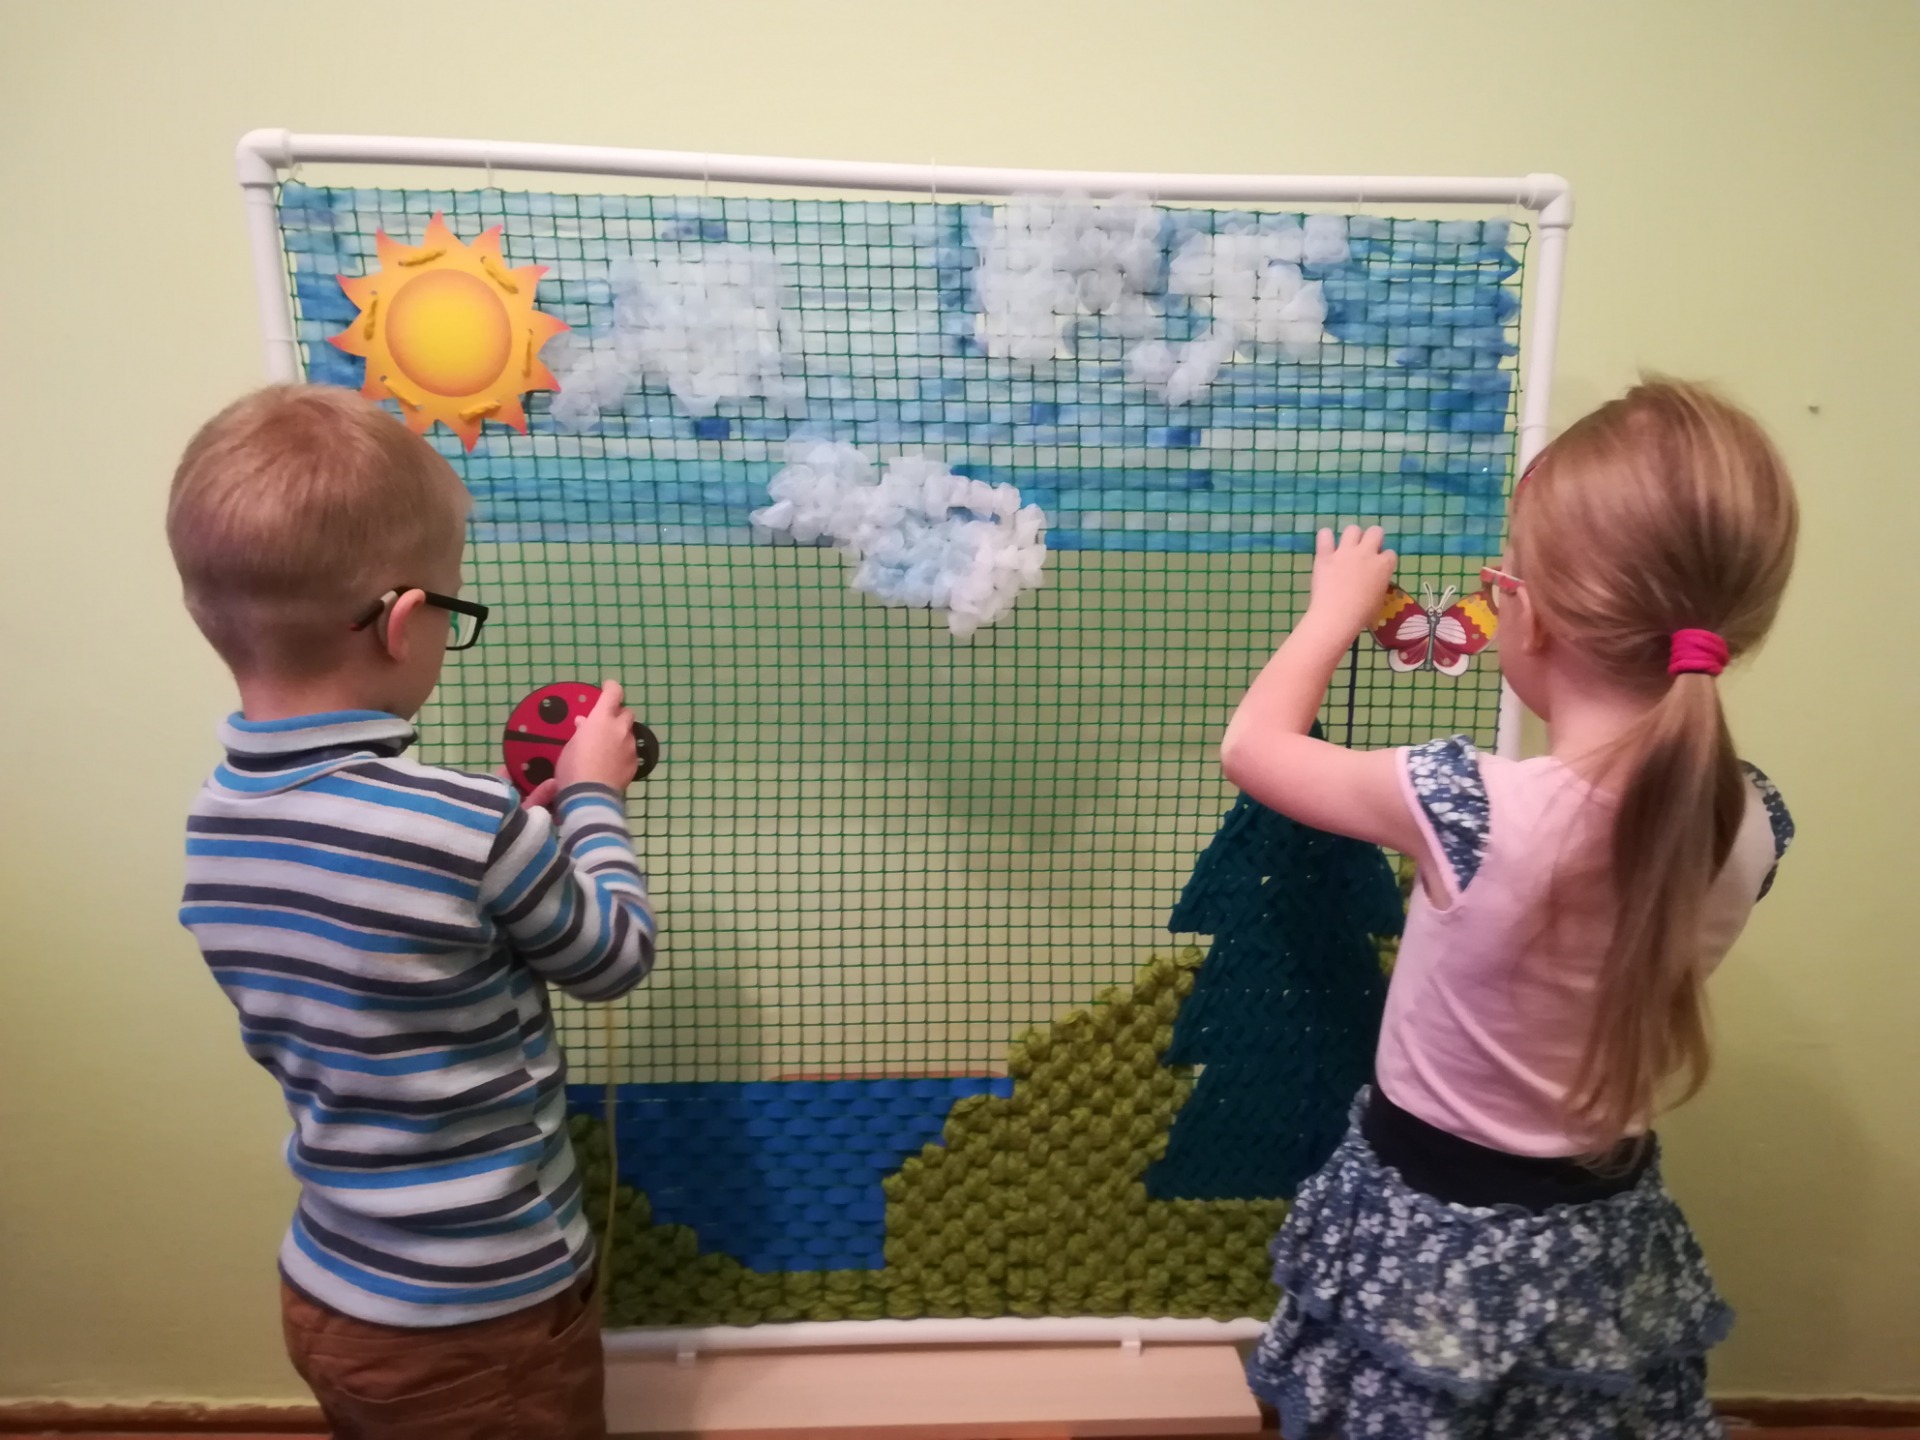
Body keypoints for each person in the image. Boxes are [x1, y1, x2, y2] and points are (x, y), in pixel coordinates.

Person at [1223, 380, 1797, 1437]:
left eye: (1503, 583)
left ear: (1529, 613)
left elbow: (1252, 749)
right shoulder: (1753, 822)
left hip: (1426, 1231)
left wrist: (1333, 612)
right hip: (1603, 1239)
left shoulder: (1467, 804)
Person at [167, 385, 655, 1439]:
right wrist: (590, 799)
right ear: (402, 623)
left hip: (334, 1287)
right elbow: (614, 953)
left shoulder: (217, 822)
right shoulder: (471, 826)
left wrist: (510, 838)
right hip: (486, 1316)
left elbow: (391, 933)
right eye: (453, 611)